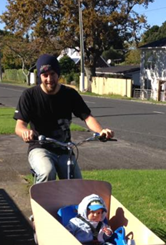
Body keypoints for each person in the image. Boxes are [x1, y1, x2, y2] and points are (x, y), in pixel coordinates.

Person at [14, 54, 114, 182]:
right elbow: (19, 126)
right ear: (40, 76)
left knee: (76, 183)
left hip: (64, 149)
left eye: (52, 74)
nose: (49, 79)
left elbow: (87, 117)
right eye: (45, 75)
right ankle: (40, 195)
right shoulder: (29, 95)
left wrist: (101, 131)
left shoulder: (70, 94)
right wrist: (25, 132)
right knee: (47, 171)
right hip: (40, 147)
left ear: (58, 74)